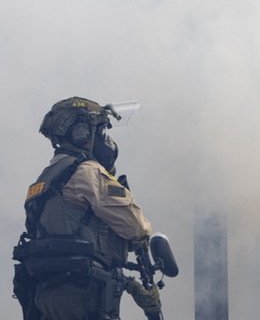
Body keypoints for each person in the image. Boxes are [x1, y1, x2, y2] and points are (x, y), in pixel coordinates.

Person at [13, 97, 161, 320]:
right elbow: (135, 227)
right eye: (101, 130)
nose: (106, 140)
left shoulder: (43, 182)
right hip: (82, 295)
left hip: (45, 297)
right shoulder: (87, 171)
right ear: (82, 133)